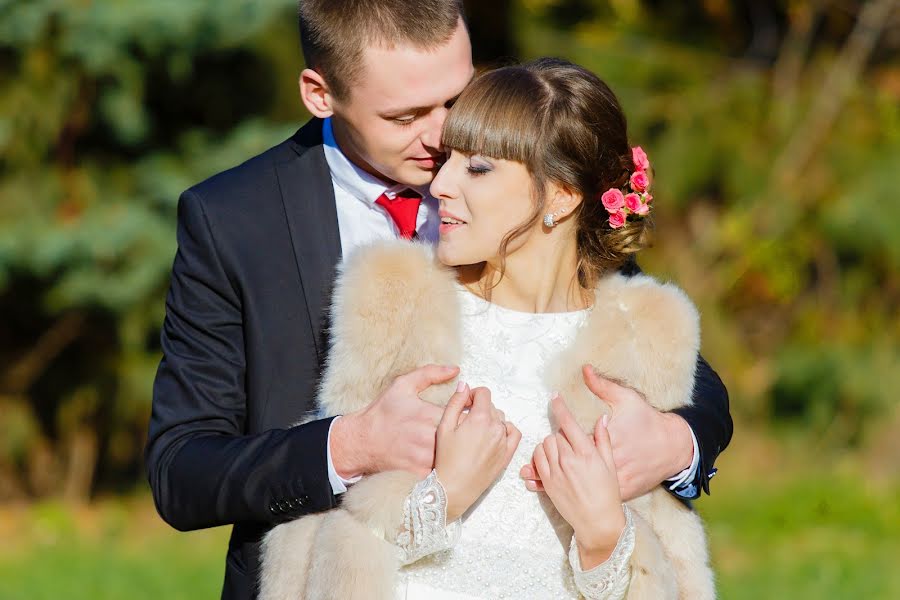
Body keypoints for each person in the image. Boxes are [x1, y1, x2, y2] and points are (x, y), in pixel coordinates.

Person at [145, 1, 731, 598]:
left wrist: (674, 443)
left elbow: (662, 357)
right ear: (321, 94)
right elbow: (181, 469)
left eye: (456, 98)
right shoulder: (234, 221)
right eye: (405, 116)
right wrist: (349, 445)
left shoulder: (519, 177)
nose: (442, 136)